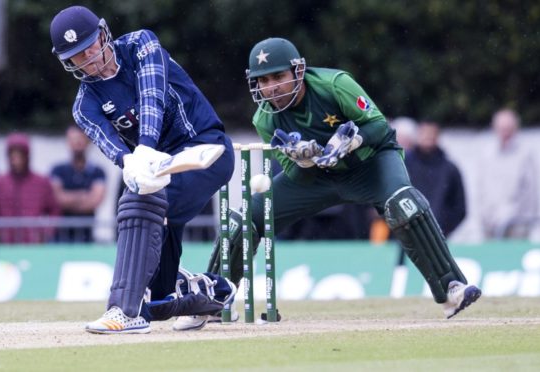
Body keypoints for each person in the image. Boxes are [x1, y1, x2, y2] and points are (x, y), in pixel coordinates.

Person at [205, 37, 481, 327]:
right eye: (263, 80)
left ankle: (451, 289)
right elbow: (298, 176)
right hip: (319, 179)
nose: (271, 87)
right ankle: (211, 301)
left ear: (298, 72)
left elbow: (379, 126)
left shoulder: (334, 84)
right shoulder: (265, 120)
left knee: (405, 204)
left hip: (369, 164)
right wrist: (304, 161)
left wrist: (352, 140)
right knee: (241, 220)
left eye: (278, 76)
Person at [49, 5, 236, 334]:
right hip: (158, 168)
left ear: (104, 34)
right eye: (78, 56)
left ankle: (123, 310)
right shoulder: (84, 105)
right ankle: (210, 290)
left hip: (205, 147)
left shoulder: (141, 45)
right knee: (160, 298)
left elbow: (152, 97)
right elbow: (110, 145)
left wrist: (145, 148)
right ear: (67, 63)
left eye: (91, 45)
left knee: (142, 200)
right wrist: (128, 161)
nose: (89, 58)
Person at [477, 109, 538, 239]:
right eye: (502, 128)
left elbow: (529, 191)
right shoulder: (487, 154)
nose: (505, 133)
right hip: (490, 223)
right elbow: (482, 187)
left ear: (516, 129)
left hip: (518, 224)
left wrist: (512, 214)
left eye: (508, 128)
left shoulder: (525, 154)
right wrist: (486, 214)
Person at [0, 133, 61, 244]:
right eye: (13, 155)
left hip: (33, 244)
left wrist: (47, 232)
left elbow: (54, 210)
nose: (17, 160)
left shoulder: (41, 182)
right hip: (6, 244)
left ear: (27, 156)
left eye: (20, 155)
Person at [406, 120, 466, 237]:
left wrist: (443, 227)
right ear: (418, 135)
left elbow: (460, 207)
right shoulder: (404, 166)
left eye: (431, 133)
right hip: (405, 235)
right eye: (425, 133)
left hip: (438, 235)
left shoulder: (449, 169)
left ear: (437, 136)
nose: (428, 137)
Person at [50, 125, 106, 242]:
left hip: (87, 235)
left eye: (80, 139)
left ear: (88, 141)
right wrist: (83, 196)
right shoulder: (58, 170)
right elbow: (57, 199)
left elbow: (95, 201)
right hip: (61, 236)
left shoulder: (97, 172)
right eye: (73, 140)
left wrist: (69, 198)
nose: (77, 143)